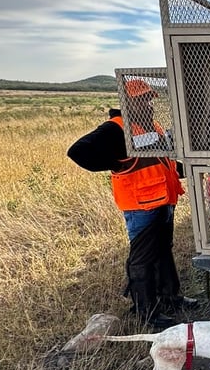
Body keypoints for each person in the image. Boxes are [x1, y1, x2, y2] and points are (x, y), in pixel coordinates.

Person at [67, 79, 198, 329]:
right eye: (141, 100)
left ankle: (171, 298)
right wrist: (117, 164)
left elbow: (161, 162)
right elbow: (78, 151)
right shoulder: (115, 128)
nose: (148, 104)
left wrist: (188, 170)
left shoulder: (152, 126)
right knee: (143, 259)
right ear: (127, 102)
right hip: (141, 206)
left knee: (162, 250)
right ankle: (146, 311)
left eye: (148, 99)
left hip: (163, 199)